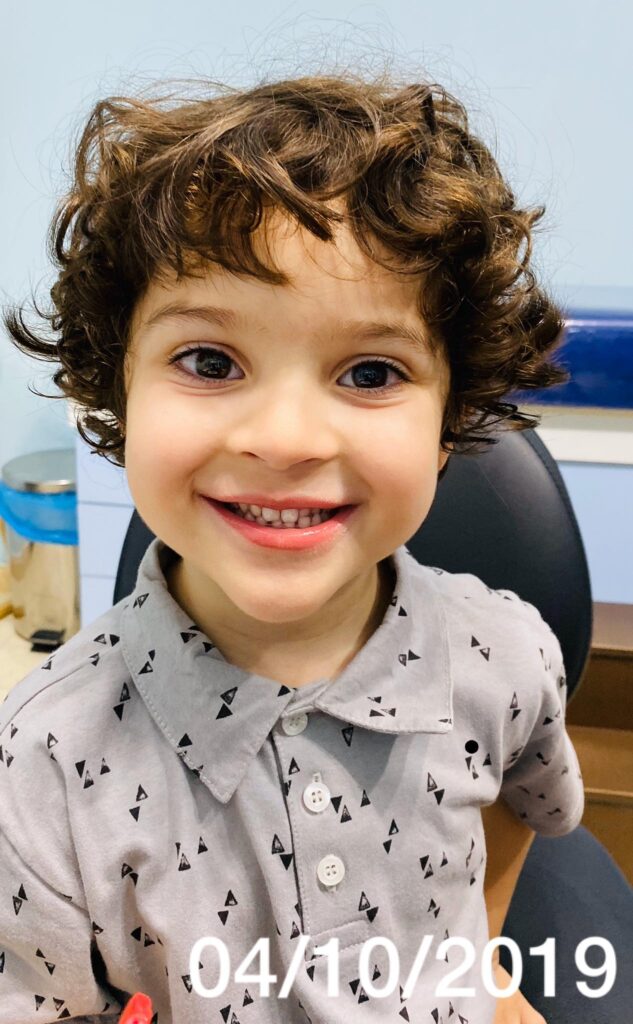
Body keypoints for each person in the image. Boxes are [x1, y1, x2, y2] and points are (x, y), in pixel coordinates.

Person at [0, 71, 585, 1024]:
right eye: (209, 361)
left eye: (370, 372)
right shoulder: (42, 763)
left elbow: (524, 803)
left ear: (447, 424)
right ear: (119, 390)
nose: (285, 439)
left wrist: (479, 964)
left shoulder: (506, 655)